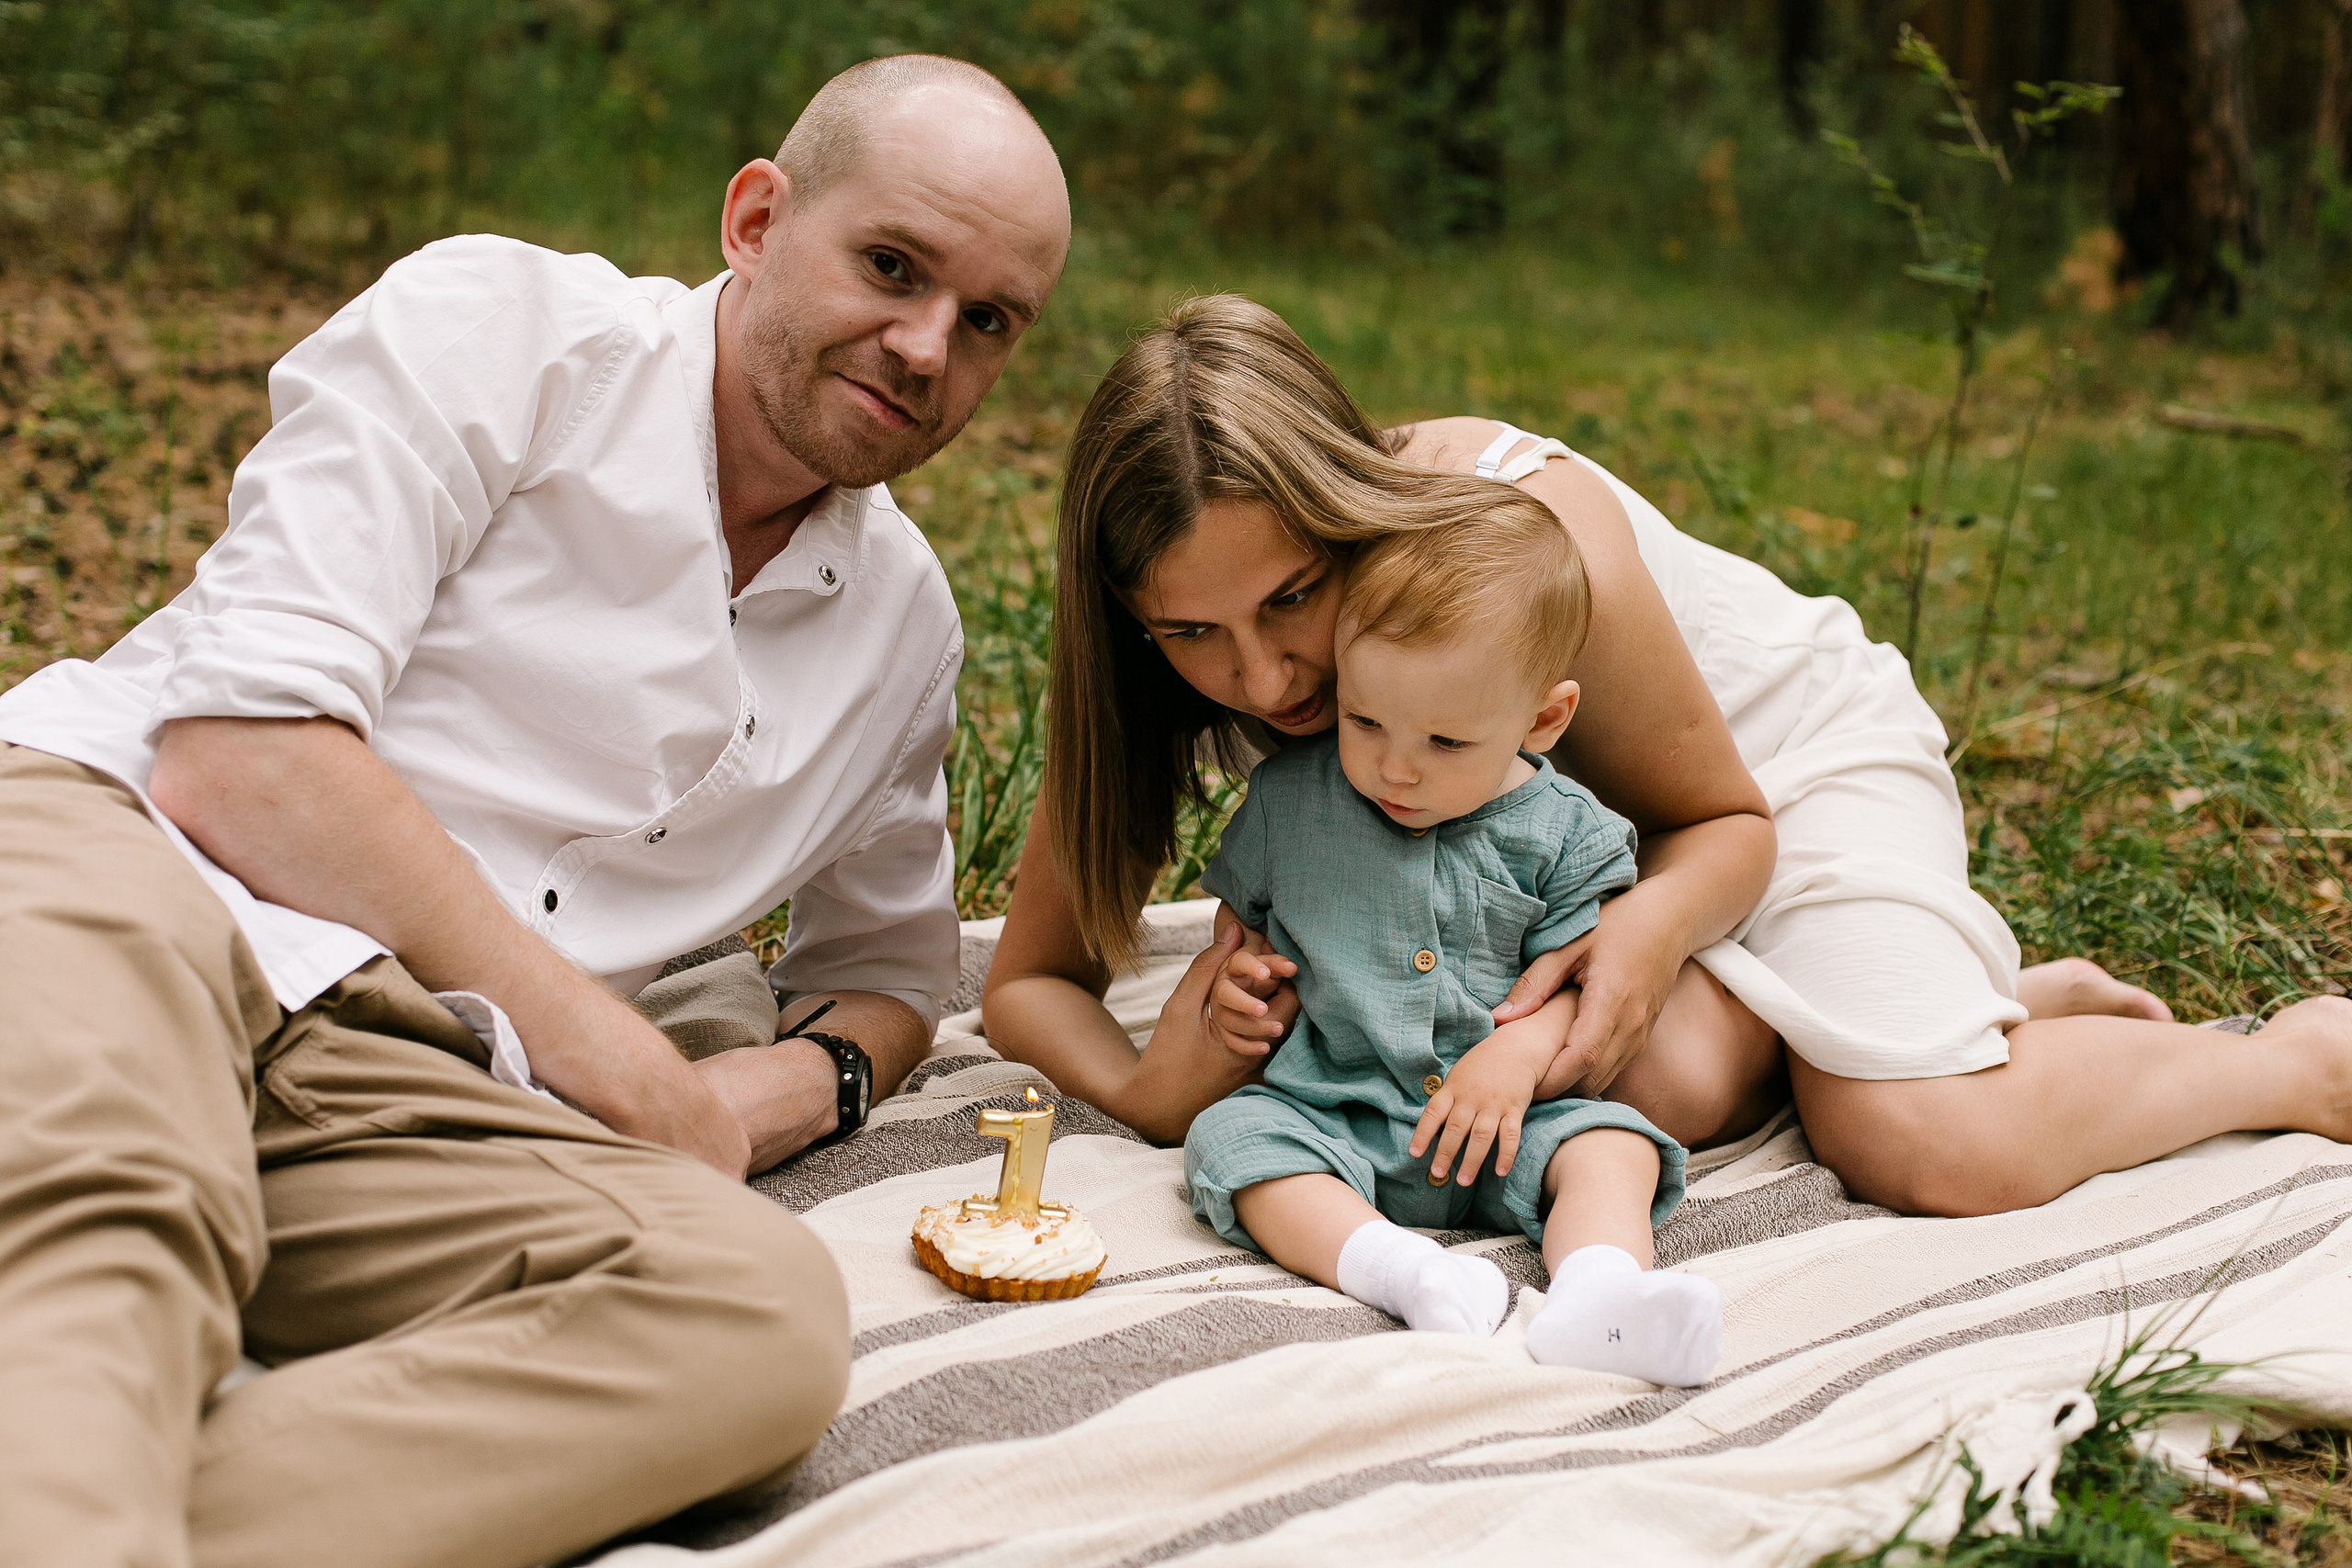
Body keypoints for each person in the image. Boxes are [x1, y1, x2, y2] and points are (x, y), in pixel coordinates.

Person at [0, 54, 1069, 1568]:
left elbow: (889, 976)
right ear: (757, 219)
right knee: (110, 1228)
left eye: (987, 325)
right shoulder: (505, 332)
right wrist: (633, 1073)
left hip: (414, 1085)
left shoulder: (902, 627)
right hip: (140, 874)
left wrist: (775, 1096)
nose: (923, 346)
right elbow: (243, 758)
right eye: (893, 267)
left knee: (749, 1318)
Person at [981, 294, 2352, 1214]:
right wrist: (1143, 1087)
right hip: (1544, 848)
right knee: (1657, 1086)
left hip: (1771, 782)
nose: (1264, 678)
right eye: (1193, 633)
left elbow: (1725, 821)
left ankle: (2292, 1064)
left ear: (1347, 510)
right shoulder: (1162, 635)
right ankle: (1898, 1007)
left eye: (1292, 599)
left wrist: (1639, 941)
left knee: (1920, 1141)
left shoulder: (1521, 543)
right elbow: (1032, 975)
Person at [1183, 502, 1724, 1387]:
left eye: (1445, 740)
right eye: (1365, 723)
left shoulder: (1566, 833)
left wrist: (1518, 1058)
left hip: (1508, 1120)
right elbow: (1239, 927)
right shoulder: (1290, 803)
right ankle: (1404, 1272)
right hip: (1335, 1107)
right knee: (1233, 1140)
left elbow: (1581, 982)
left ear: (1542, 720)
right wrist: (1236, 981)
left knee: (1613, 1148)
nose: (1397, 768)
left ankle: (1596, 1299)